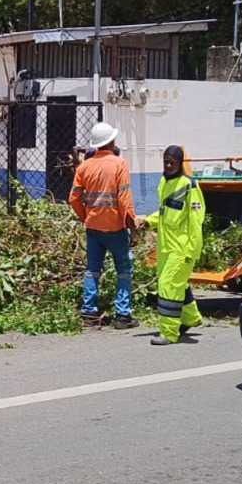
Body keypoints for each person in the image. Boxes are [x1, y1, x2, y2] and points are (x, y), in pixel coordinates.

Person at [69, 121, 140, 329]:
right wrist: (133, 229)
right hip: (115, 228)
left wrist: (86, 217)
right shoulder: (120, 164)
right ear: (111, 141)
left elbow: (74, 198)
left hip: (93, 227)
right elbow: (124, 200)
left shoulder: (84, 167)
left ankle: (89, 313)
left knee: (92, 269)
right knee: (124, 270)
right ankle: (122, 315)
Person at [137, 145, 205, 346]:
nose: (168, 165)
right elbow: (164, 212)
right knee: (178, 284)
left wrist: (192, 250)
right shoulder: (164, 182)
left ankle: (169, 333)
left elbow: (196, 221)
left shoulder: (189, 186)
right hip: (166, 246)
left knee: (167, 285)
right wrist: (148, 221)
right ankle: (191, 318)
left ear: (180, 163)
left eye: (172, 162)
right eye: (165, 162)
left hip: (182, 248)